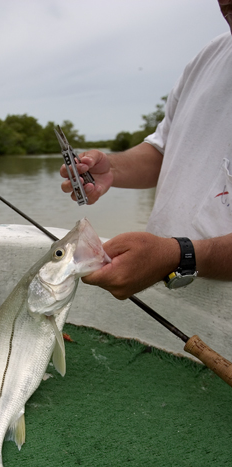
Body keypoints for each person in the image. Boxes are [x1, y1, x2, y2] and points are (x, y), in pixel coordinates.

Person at [60, 0, 232, 300]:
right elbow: (164, 150)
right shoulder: (209, 57)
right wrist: (111, 168)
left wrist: (179, 255)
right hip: (167, 284)